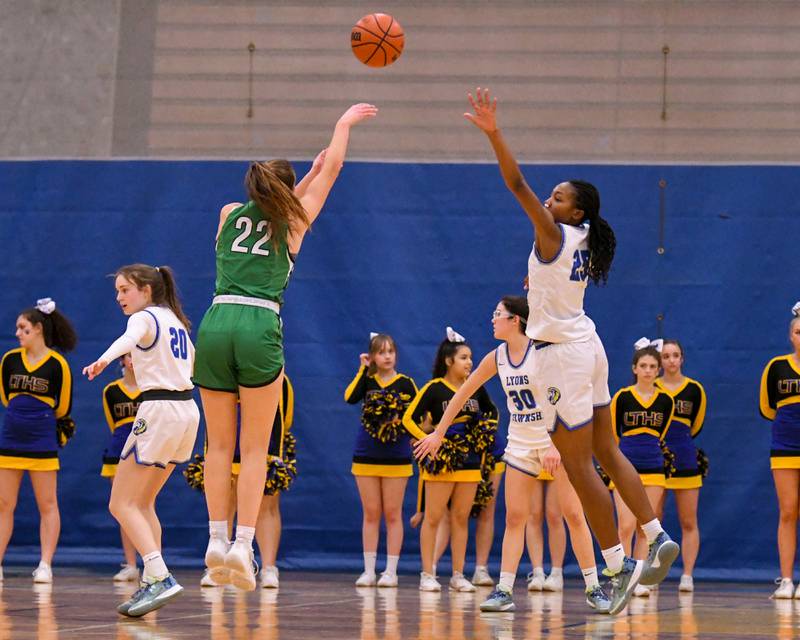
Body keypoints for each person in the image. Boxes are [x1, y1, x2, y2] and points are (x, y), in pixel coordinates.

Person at [437, 87, 678, 614]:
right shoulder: (589, 235)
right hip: (588, 346)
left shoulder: (554, 234)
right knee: (607, 449)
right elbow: (549, 276)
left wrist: (494, 133)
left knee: (577, 465)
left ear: (576, 211)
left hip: (562, 357)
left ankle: (616, 566)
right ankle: (655, 535)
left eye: (560, 198)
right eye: (552, 196)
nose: (549, 201)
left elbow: (516, 183)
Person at [193, 103, 377, 591]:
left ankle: (214, 537)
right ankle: (242, 546)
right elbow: (332, 170)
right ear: (286, 190)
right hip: (259, 321)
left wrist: (305, 175)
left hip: (215, 320)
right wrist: (342, 124)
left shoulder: (228, 213)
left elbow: (268, 207)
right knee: (255, 448)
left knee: (217, 445)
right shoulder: (295, 223)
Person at [415, 297, 610, 613]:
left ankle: (594, 588)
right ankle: (504, 589)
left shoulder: (544, 351)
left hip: (556, 440)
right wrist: (438, 433)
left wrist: (554, 444)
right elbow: (462, 393)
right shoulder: (497, 357)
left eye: (497, 314)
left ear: (515, 320)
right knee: (516, 517)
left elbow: (568, 397)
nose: (492, 319)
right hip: (519, 442)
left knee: (573, 514)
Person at [83, 264, 199, 617]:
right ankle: (151, 581)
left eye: (124, 290)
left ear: (147, 289)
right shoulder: (176, 321)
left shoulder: (145, 317)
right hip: (187, 412)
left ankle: (159, 575)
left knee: (120, 503)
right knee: (144, 503)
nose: (119, 297)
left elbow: (128, 340)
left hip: (159, 410)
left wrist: (104, 359)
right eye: (117, 291)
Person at [402, 328, 498, 593]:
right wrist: (428, 440)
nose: (470, 362)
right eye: (464, 358)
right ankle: (428, 574)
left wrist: (483, 434)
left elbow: (492, 414)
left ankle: (458, 575)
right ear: (449, 361)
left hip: (469, 461)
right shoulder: (434, 389)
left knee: (460, 518)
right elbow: (408, 418)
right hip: (442, 462)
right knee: (433, 518)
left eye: (471, 358)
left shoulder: (476, 389)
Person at [192, 376, 297, 589]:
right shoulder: (220, 375)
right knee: (224, 501)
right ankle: (221, 566)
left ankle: (268, 567)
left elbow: (285, 418)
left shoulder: (275, 377)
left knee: (266, 504)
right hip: (223, 443)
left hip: (262, 444)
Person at [0, 298, 77, 584]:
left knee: (47, 503)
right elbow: (6, 397)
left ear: (38, 329)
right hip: (11, 438)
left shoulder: (58, 364)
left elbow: (63, 406)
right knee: (3, 504)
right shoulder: (9, 360)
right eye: (17, 329)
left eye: (23, 328)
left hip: (41, 439)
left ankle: (45, 564)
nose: (17, 333)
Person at [344, 333, 417, 587]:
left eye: (391, 351)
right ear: (372, 356)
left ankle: (391, 571)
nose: (387, 356)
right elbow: (349, 397)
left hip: (397, 457)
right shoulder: (368, 381)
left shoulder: (406, 384)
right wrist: (362, 370)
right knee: (371, 513)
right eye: (381, 352)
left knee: (393, 514)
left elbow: (416, 417)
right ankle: (368, 570)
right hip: (366, 455)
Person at [611, 339, 675, 598]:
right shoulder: (623, 397)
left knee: (644, 527)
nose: (648, 370)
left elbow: (662, 434)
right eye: (643, 365)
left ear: (658, 370)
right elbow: (613, 435)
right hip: (625, 468)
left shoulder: (666, 401)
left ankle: (638, 578)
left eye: (652, 366)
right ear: (634, 368)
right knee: (625, 525)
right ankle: (620, 575)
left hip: (654, 468)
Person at [655, 339, 707, 593]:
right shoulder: (651, 386)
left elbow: (695, 425)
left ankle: (687, 575)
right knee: (653, 520)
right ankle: (651, 573)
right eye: (666, 356)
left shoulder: (695, 389)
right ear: (660, 361)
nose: (671, 360)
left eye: (676, 355)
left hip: (686, 459)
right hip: (655, 461)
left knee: (689, 521)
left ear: (682, 358)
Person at [760, 302, 800, 599]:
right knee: (788, 511)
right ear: (791, 336)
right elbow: (766, 407)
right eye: (799, 332)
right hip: (785, 446)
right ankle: (786, 580)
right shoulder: (776, 367)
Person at [100, 353, 142, 582]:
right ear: (122, 360)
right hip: (117, 453)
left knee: (144, 507)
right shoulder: (111, 391)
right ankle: (131, 565)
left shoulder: (151, 389)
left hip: (144, 453)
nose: (133, 360)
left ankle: (153, 564)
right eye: (129, 356)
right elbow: (112, 423)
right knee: (122, 509)